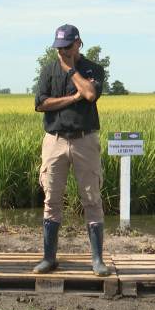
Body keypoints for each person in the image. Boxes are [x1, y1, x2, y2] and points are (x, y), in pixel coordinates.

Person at [33, 25, 108, 276]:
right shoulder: (48, 71)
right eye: (58, 47)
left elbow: (89, 93)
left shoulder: (92, 70)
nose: (61, 51)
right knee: (51, 199)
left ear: (78, 44)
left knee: (92, 199)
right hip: (54, 141)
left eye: (66, 46)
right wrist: (72, 99)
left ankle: (96, 260)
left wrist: (71, 71)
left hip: (85, 140)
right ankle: (48, 258)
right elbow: (41, 104)